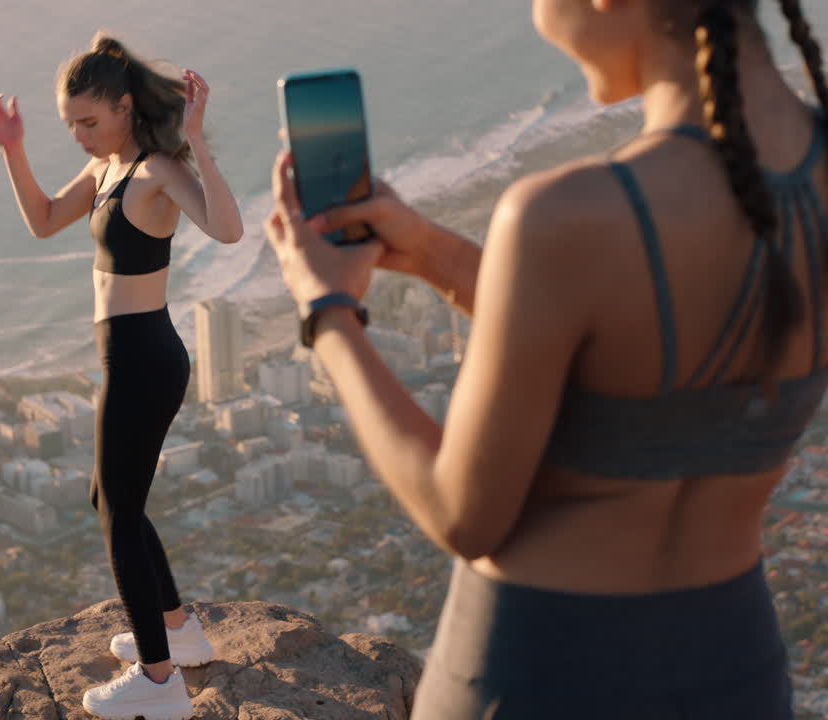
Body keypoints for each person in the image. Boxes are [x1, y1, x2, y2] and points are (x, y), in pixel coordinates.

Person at [263, 1, 826, 717]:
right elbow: (642, 348)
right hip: (735, 673)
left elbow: (462, 515)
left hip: (540, 676)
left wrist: (328, 313)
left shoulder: (567, 213)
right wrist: (433, 252)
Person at [0, 31, 244, 720]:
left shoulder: (156, 171)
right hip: (125, 358)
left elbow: (228, 229)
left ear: (125, 108)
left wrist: (198, 141)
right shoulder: (105, 173)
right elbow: (41, 222)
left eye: (89, 123)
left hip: (145, 359)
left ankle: (159, 683)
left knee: (118, 512)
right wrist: (14, 150)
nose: (80, 137)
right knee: (110, 498)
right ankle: (178, 632)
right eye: (70, 125)